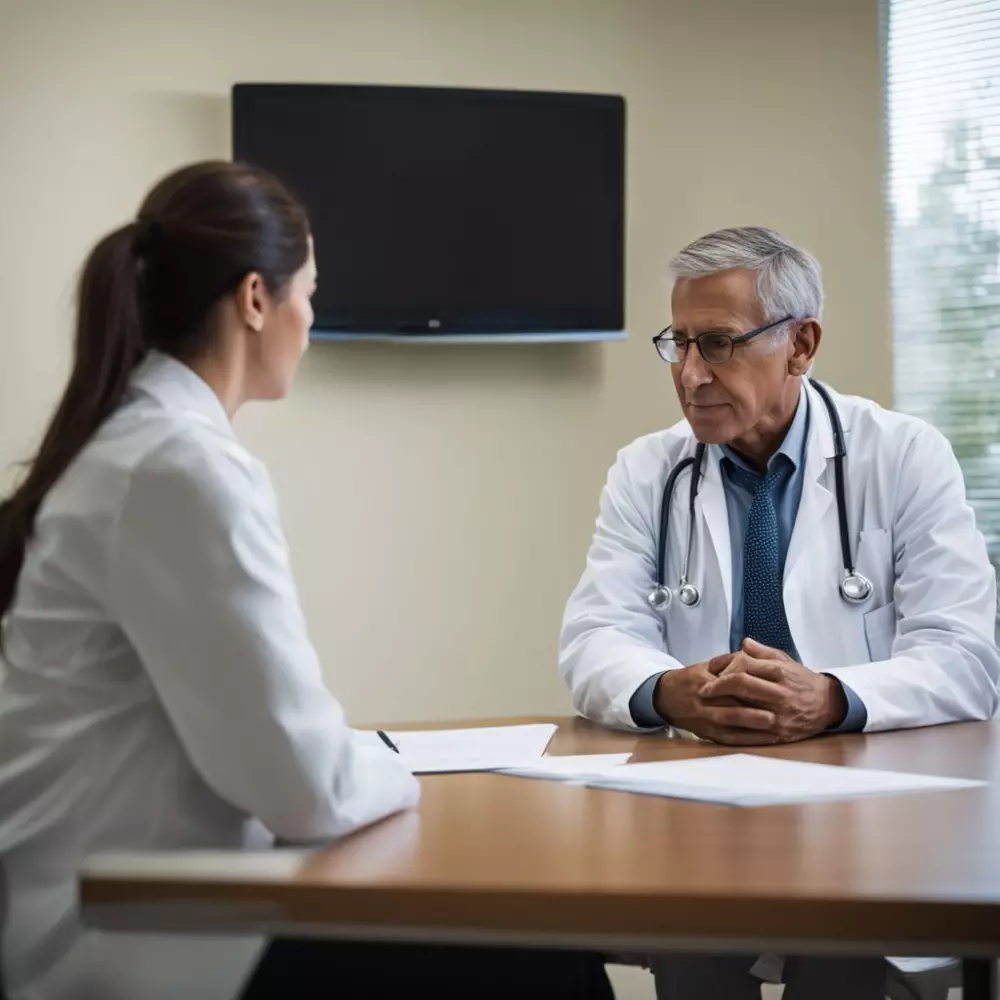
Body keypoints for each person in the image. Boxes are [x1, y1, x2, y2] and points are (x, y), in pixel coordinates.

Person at [0, 161, 613, 1000]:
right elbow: (308, 791)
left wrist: (345, 759)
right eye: (310, 291)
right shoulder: (181, 466)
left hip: (133, 901)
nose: (313, 316)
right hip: (133, 943)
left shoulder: (139, 445)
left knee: (540, 943)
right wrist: (395, 765)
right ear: (257, 299)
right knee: (542, 951)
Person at [559, 226, 1000, 999]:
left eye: (720, 344)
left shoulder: (903, 456)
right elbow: (597, 638)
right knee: (694, 951)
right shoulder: (646, 471)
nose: (690, 374)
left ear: (801, 344)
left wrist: (830, 697)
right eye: (678, 344)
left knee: (843, 959)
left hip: (869, 813)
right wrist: (670, 690)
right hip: (704, 806)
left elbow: (966, 656)